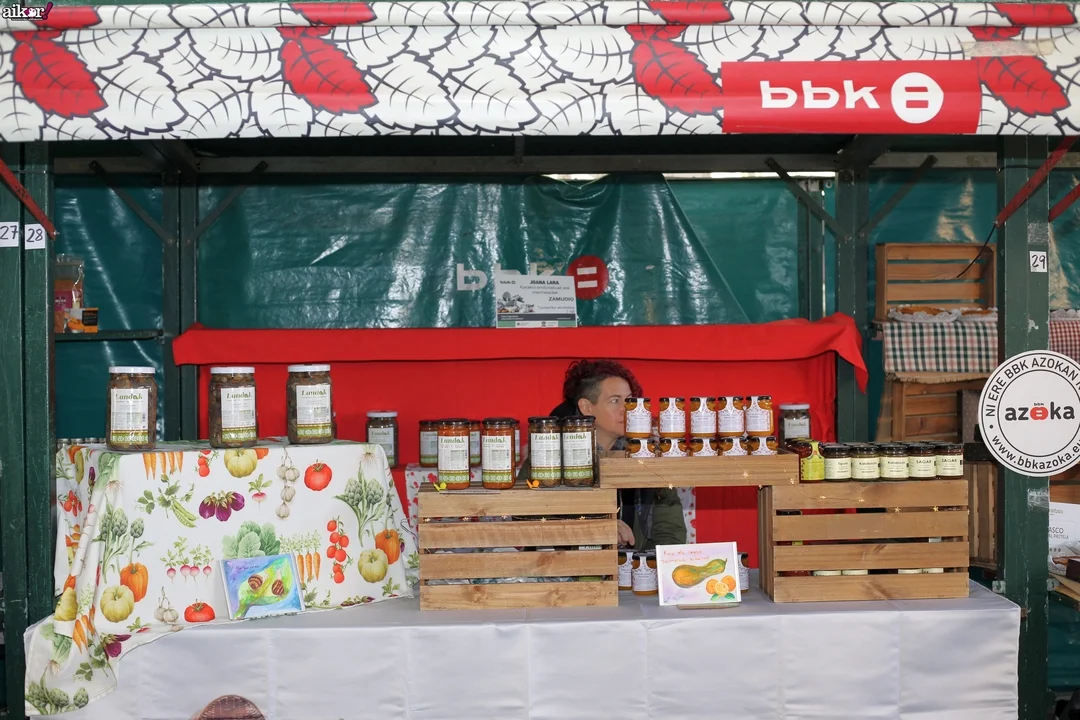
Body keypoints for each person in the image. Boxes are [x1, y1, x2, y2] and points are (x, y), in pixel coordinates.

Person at [520, 359, 686, 551]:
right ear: (586, 407)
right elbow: (525, 521)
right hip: (566, 567)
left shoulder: (649, 455)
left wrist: (644, 565)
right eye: (615, 401)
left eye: (629, 400)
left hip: (634, 566)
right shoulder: (547, 459)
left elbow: (669, 530)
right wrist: (596, 529)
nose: (627, 409)